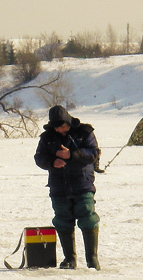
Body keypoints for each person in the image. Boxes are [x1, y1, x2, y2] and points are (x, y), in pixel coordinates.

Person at [34, 105, 101, 270]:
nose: (59, 130)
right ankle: (69, 258)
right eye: (56, 127)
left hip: (82, 183)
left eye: (62, 126)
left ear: (68, 122)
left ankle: (92, 260)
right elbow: (39, 157)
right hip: (59, 186)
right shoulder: (47, 137)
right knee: (62, 220)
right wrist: (52, 162)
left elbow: (93, 153)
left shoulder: (84, 133)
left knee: (88, 218)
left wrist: (71, 155)